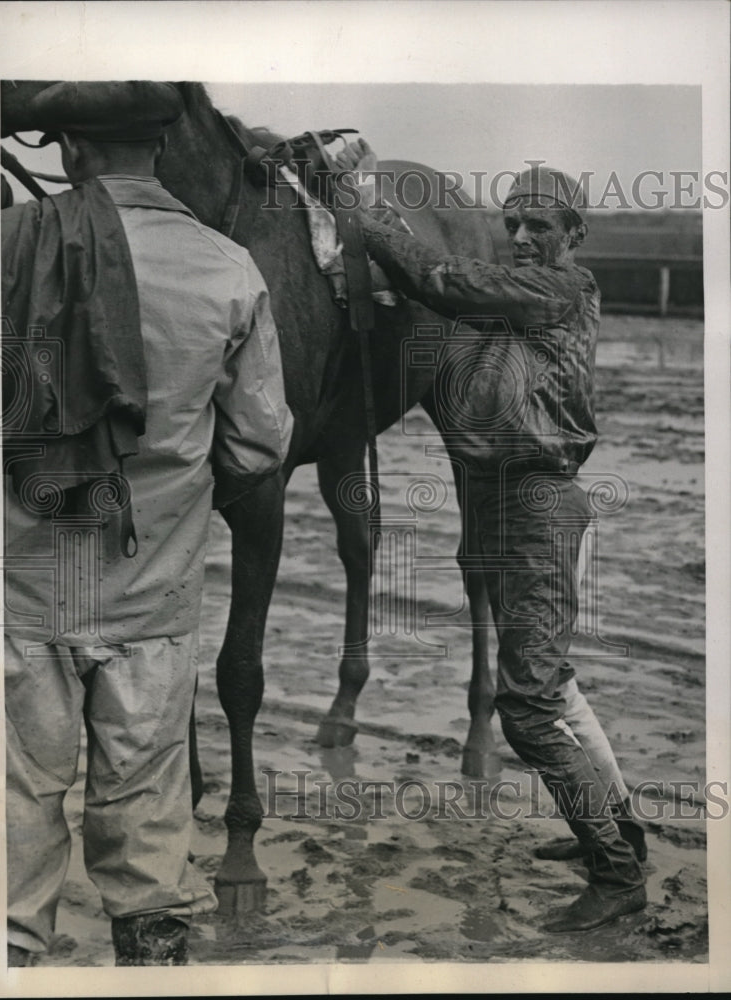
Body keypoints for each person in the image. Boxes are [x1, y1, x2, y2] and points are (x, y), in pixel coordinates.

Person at [2, 82, 293, 966]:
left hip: (24, 591)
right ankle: (150, 968)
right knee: (147, 816)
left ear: (71, 152)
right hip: (150, 595)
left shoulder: (6, 249)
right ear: (159, 149)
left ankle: (11, 958)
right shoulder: (228, 267)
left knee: (15, 808)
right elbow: (259, 443)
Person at [349, 156, 647, 932]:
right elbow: (442, 311)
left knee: (526, 708)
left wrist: (374, 223)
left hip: (537, 508)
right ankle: (625, 834)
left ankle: (616, 876)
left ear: (574, 236)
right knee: (557, 686)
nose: (520, 235)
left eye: (539, 225)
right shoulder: (513, 307)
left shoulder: (560, 289)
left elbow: (444, 284)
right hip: (507, 502)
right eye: (512, 222)